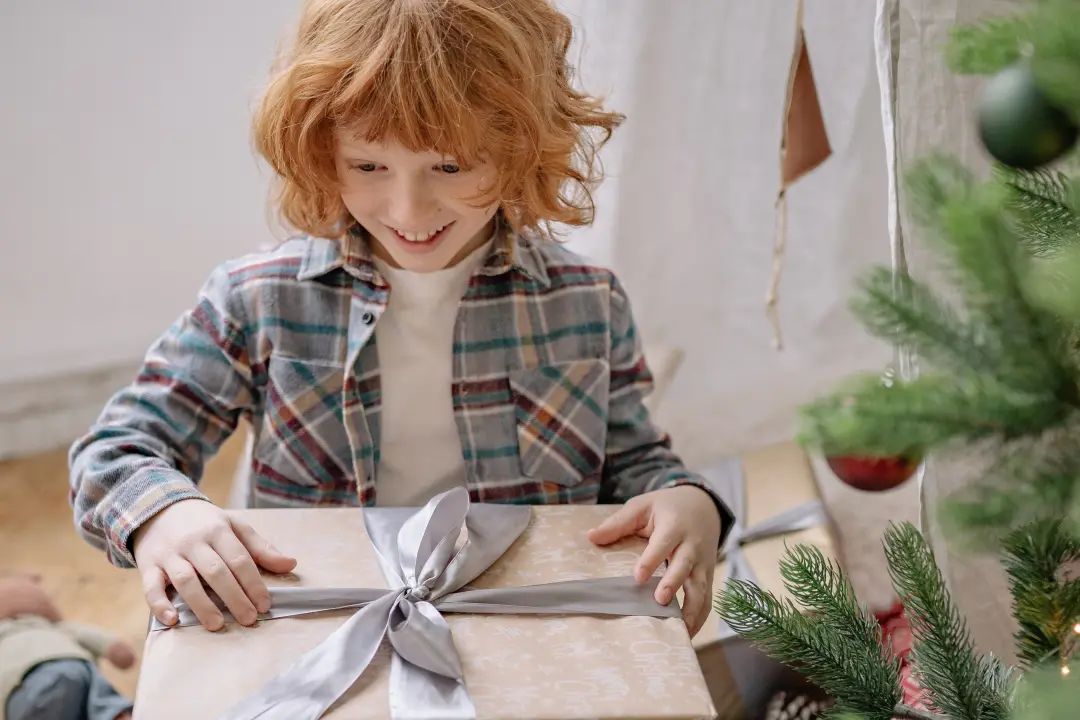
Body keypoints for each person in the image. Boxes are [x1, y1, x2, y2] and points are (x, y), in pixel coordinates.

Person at [69, 0, 733, 639]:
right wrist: (164, 515)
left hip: (523, 629)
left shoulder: (587, 302)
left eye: (449, 165)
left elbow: (637, 462)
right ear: (320, 148)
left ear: (520, 145)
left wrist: (688, 498)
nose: (409, 211)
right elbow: (116, 449)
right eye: (369, 165)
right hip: (317, 626)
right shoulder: (258, 299)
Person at [1, 572, 135, 720]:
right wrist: (118, 651)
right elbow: (107, 644)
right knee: (103, 705)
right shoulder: (55, 628)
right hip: (71, 665)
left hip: (22, 694)